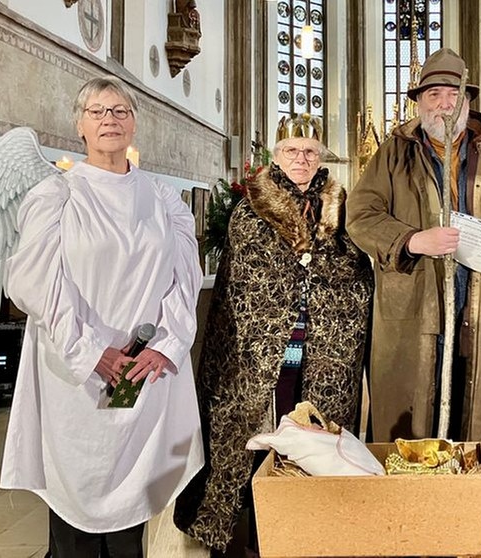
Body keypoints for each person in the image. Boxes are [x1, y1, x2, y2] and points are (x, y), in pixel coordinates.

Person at [0, 75, 204, 557]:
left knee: (131, 505)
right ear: (80, 127)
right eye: (98, 112)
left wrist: (166, 344)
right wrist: (91, 351)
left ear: (134, 124)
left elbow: (186, 277)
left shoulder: (162, 198)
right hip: (76, 372)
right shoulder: (58, 196)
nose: (110, 120)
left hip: (139, 369)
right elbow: (34, 282)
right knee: (76, 508)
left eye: (120, 111)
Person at [174, 114, 374, 556]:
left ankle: (307, 537)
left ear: (321, 156)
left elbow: (358, 274)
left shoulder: (341, 209)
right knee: (254, 446)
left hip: (324, 354)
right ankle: (255, 538)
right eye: (291, 151)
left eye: (309, 151)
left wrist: (321, 264)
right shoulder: (251, 209)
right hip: (260, 357)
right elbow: (243, 283)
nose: (300, 159)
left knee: (312, 448)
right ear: (276, 157)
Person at [345, 48, 481, 479]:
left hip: (477, 308)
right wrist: (412, 239)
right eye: (433, 95)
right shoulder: (394, 154)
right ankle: (409, 514)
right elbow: (360, 216)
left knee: (471, 406)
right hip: (413, 305)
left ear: (468, 101)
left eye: (453, 95)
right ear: (419, 102)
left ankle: (464, 514)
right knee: (412, 408)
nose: (444, 104)